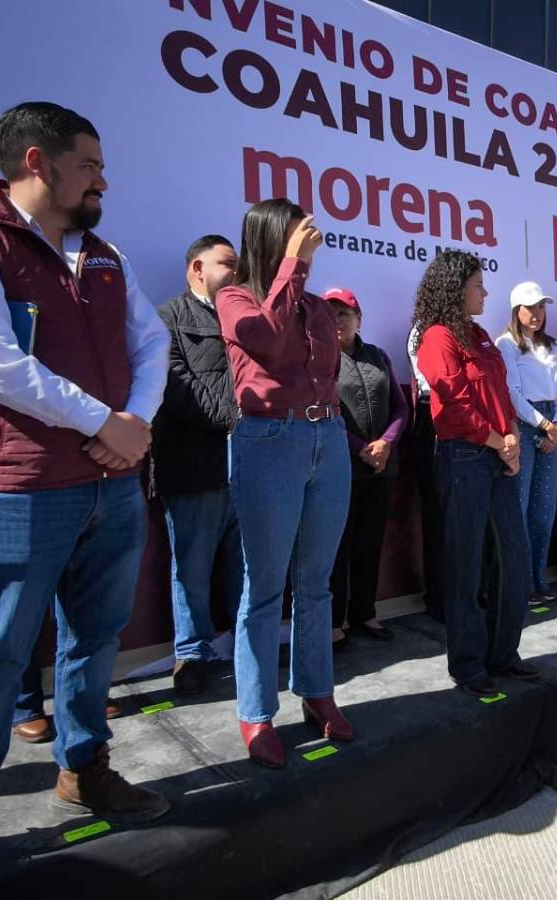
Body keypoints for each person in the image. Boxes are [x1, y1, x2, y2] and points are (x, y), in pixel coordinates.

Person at [0, 101, 172, 897]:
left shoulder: (103, 254)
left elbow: (149, 343)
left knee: (95, 641)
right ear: (37, 162)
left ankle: (83, 766)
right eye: (89, 165)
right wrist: (104, 421)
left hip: (111, 488)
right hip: (17, 489)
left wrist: (135, 426)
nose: (103, 180)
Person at [216, 199, 353, 768]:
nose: (311, 246)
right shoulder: (234, 296)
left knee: (316, 581)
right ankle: (256, 711)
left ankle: (316, 693)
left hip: (328, 440)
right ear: (275, 237)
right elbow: (266, 340)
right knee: (265, 584)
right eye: (301, 237)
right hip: (270, 441)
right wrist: (290, 267)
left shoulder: (318, 307)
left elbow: (327, 372)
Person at [412, 250, 537, 697]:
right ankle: (468, 667)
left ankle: (503, 656)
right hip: (464, 458)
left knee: (513, 560)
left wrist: (513, 443)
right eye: (478, 285)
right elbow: (455, 404)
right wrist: (496, 442)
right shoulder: (437, 337)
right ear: (456, 287)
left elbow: (500, 395)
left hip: (500, 454)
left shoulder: (481, 335)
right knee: (465, 566)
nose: (485, 292)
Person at [153, 235, 244, 695]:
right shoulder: (168, 318)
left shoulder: (245, 317)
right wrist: (236, 418)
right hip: (192, 468)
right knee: (191, 567)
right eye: (227, 263)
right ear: (197, 269)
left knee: (244, 567)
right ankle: (190, 653)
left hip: (247, 469)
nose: (236, 271)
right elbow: (177, 385)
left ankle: (244, 644)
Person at [327, 287, 408, 649]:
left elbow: (401, 408)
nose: (338, 320)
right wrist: (361, 448)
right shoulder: (317, 358)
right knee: (336, 547)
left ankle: (364, 612)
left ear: (359, 319)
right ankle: (333, 622)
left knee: (369, 543)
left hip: (380, 467)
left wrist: (386, 443)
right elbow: (327, 414)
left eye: (345, 313)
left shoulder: (379, 356)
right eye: (331, 313)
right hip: (340, 469)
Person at [496, 281, 557, 605]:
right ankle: (520, 583)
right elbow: (512, 394)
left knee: (544, 510)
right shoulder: (506, 344)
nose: (537, 314)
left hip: (551, 423)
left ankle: (538, 579)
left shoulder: (552, 345)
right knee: (520, 507)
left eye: (541, 307)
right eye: (530, 307)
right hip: (525, 426)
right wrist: (544, 424)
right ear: (516, 310)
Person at [407, 325, 446, 621]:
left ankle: (467, 591)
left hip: (463, 426)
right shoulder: (422, 331)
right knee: (437, 518)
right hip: (432, 421)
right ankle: (439, 597)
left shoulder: (470, 330)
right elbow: (433, 382)